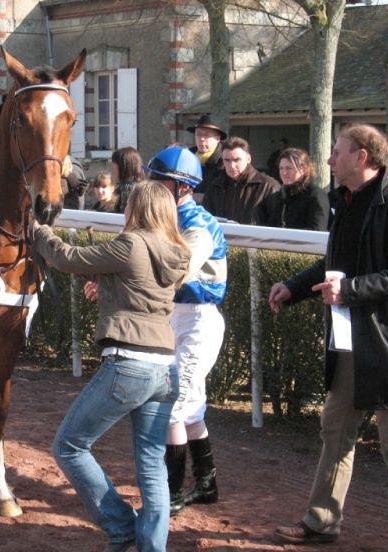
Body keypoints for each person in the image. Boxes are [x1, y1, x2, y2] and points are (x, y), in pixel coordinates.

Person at [268, 124, 388, 552]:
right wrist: (293, 287)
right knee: (335, 427)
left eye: (337, 152)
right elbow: (334, 265)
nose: (329, 159)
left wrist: (351, 290)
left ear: (361, 157)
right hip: (354, 341)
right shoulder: (347, 202)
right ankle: (322, 521)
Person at [33, 180, 190, 552]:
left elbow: (67, 258)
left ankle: (120, 525)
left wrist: (39, 231)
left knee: (69, 447)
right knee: (152, 464)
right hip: (165, 370)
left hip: (128, 365)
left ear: (137, 208)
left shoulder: (131, 244)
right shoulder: (177, 252)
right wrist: (105, 286)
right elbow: (140, 289)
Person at [145, 145, 228, 515]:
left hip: (198, 320)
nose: (152, 186)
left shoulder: (199, 225)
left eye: (160, 181)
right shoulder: (161, 219)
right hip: (172, 317)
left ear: (183, 187)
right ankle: (207, 484)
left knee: (174, 406)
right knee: (191, 407)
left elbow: (177, 271)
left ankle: (172, 494)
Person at [203, 136, 280, 225]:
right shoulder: (215, 186)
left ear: (248, 159)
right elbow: (206, 219)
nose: (232, 166)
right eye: (227, 160)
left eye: (237, 160)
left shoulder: (268, 186)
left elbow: (277, 223)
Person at [262, 147, 330, 231]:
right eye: (281, 168)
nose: (284, 173)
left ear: (303, 169)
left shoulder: (315, 195)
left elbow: (317, 229)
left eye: (289, 168)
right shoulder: (279, 196)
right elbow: (271, 225)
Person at [186, 114, 227, 201]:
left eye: (207, 135)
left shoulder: (225, 160)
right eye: (198, 134)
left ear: (217, 139)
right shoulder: (187, 156)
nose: (202, 139)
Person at [111, 146, 145, 214]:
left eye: (114, 163)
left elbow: (123, 215)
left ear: (123, 166)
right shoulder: (142, 185)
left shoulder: (128, 188)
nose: (113, 167)